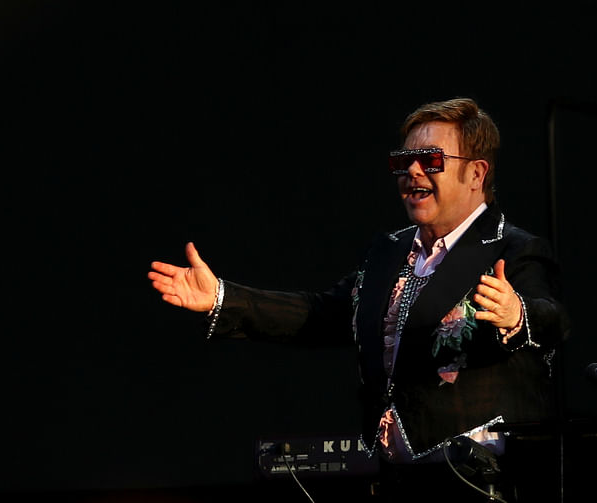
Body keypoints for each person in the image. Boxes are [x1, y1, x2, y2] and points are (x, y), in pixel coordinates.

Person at [148, 97, 570, 502]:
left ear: (476, 174)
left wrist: (517, 313)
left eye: (432, 161)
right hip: (393, 481)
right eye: (403, 162)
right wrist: (224, 297)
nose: (414, 172)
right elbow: (322, 313)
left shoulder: (513, 249)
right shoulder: (389, 251)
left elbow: (552, 319)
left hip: (483, 484)